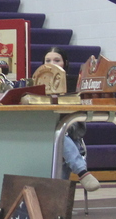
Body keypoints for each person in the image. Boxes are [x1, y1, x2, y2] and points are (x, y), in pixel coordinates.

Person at [43, 47, 100, 194]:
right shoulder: (37, 84)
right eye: (48, 60)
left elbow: (80, 119)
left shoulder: (76, 83)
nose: (52, 64)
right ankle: (82, 172)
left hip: (71, 133)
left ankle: (57, 199)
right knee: (55, 134)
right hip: (45, 136)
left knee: (59, 135)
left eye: (57, 60)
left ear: (65, 63)